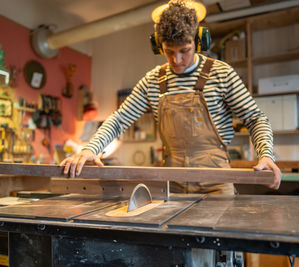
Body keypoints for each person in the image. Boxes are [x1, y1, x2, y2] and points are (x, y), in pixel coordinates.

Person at [61, 0, 282, 193]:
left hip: (216, 183)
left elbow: (255, 118)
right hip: (171, 184)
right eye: (169, 51)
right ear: (159, 46)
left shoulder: (221, 73)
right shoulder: (153, 81)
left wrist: (266, 154)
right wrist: (91, 149)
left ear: (198, 41)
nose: (176, 60)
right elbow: (120, 119)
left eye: (184, 50)